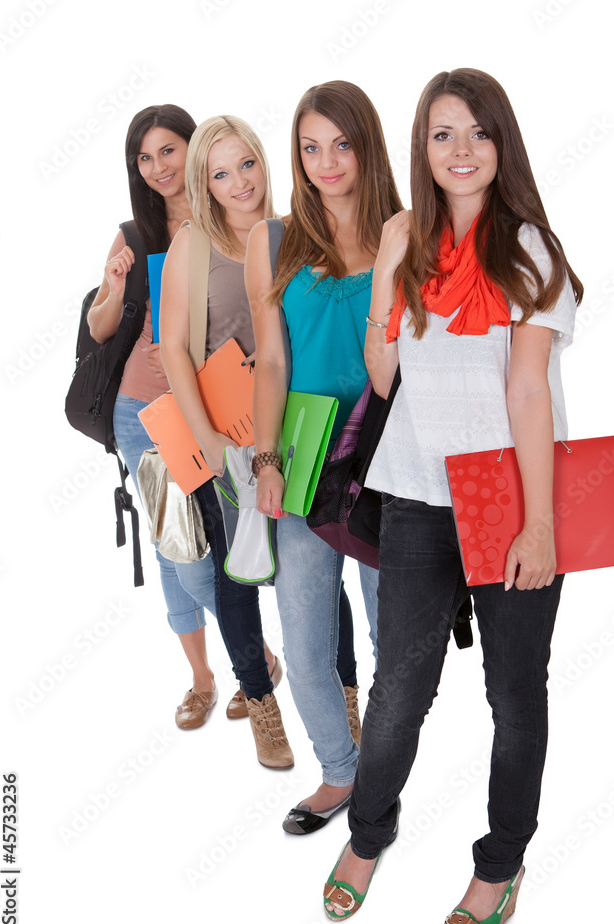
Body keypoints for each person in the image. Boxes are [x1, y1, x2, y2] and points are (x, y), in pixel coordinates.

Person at [322, 68, 583, 924]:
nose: (460, 151)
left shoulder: (532, 252)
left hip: (508, 488)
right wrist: (390, 271)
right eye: (441, 134)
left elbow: (528, 394)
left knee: (514, 694)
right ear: (422, 150)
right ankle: (368, 833)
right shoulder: (410, 242)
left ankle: (500, 864)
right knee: (399, 688)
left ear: (501, 143)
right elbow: (388, 375)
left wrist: (540, 524)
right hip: (417, 489)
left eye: (476, 132)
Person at [245, 81, 404, 831]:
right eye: (310, 147)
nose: (326, 161)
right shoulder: (270, 241)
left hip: (386, 458)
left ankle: (380, 779)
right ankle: (339, 774)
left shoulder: (408, 233)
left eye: (341, 143)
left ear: (367, 146)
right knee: (306, 645)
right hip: (304, 457)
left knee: (393, 644)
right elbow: (270, 362)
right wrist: (266, 459)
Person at [159, 115, 296, 766]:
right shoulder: (193, 242)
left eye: (247, 164)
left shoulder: (297, 231)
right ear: (204, 184)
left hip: (295, 427)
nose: (239, 182)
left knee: (307, 566)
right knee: (236, 574)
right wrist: (208, 437)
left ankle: (346, 700)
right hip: (227, 433)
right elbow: (174, 348)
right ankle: (262, 706)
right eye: (220, 173)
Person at [88, 105, 223, 731]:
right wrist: (114, 286)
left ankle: (256, 663)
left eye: (168, 150)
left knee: (212, 547)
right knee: (175, 550)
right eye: (145, 158)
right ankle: (209, 676)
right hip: (141, 409)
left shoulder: (228, 211)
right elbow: (100, 328)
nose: (158, 167)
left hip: (216, 406)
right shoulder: (134, 233)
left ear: (194, 149)